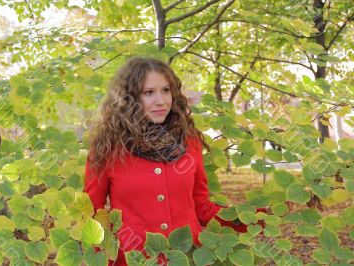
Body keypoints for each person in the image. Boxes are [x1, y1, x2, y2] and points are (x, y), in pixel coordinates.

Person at [84, 57, 263, 265]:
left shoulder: (190, 143)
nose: (161, 101)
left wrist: (256, 218)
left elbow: (202, 208)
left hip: (188, 257)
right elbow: (93, 217)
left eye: (166, 90)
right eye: (148, 92)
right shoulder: (108, 149)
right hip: (133, 259)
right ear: (128, 98)